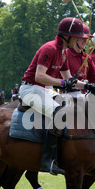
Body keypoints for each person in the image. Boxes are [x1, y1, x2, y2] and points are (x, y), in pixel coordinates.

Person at [19, 17, 88, 175]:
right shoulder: (49, 48)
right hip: (30, 90)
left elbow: (69, 79)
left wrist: (88, 85)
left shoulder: (63, 53)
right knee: (60, 113)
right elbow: (39, 76)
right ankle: (47, 160)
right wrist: (63, 83)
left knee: (72, 107)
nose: (79, 40)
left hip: (43, 90)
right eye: (77, 37)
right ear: (67, 36)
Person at [64, 24, 95, 98]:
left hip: (83, 95)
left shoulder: (87, 58)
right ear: (75, 39)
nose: (85, 41)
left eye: (87, 39)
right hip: (66, 95)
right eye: (83, 38)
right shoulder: (65, 54)